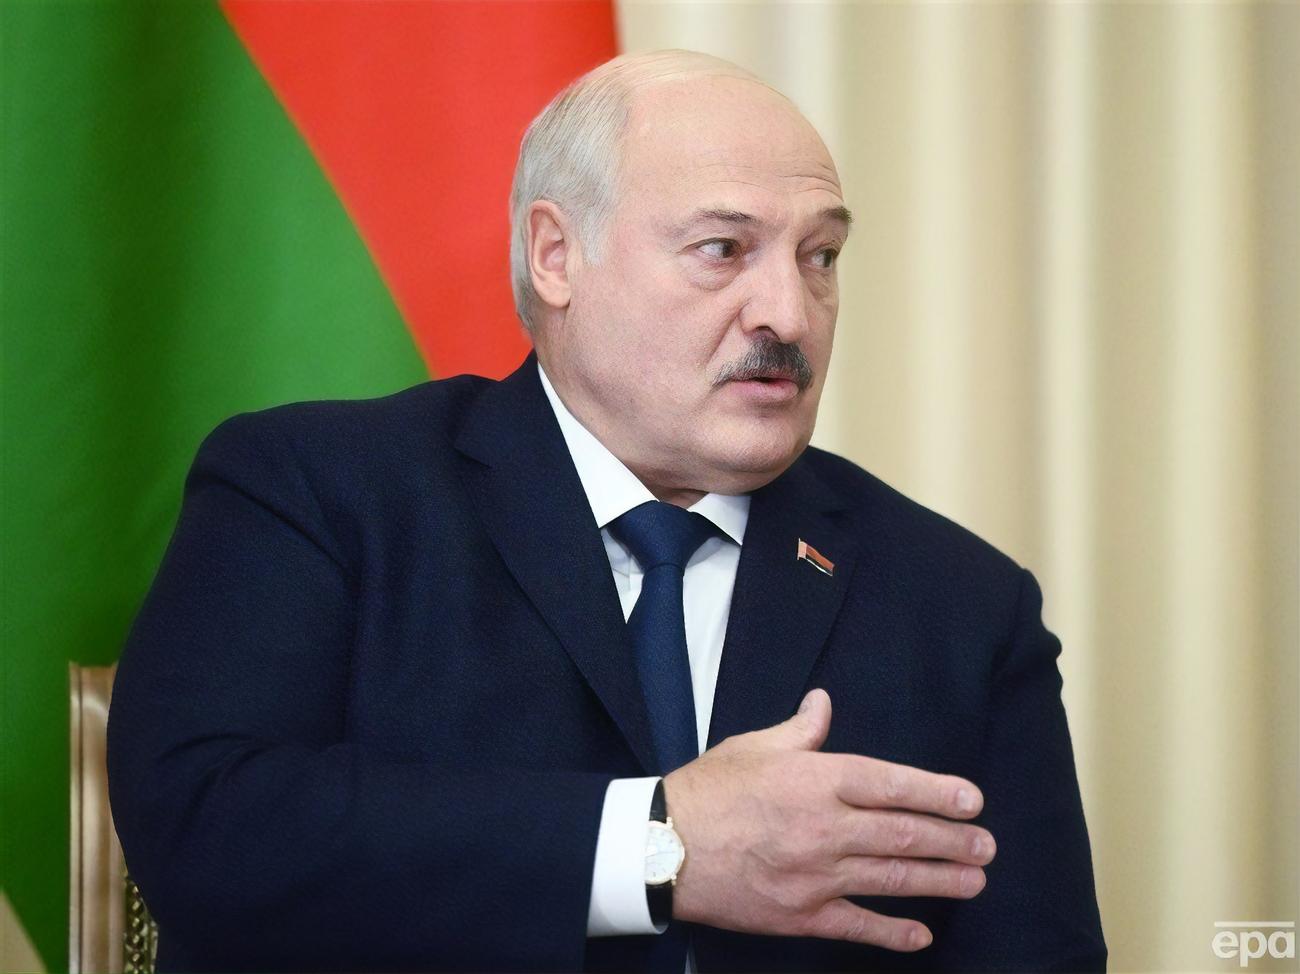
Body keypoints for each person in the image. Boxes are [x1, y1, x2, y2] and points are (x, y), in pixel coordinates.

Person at [106, 50, 1106, 973]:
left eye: (820, 256)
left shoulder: (958, 602)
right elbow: (207, 825)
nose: (789, 313)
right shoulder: (319, 492)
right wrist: (655, 844)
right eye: (723, 248)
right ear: (556, 255)